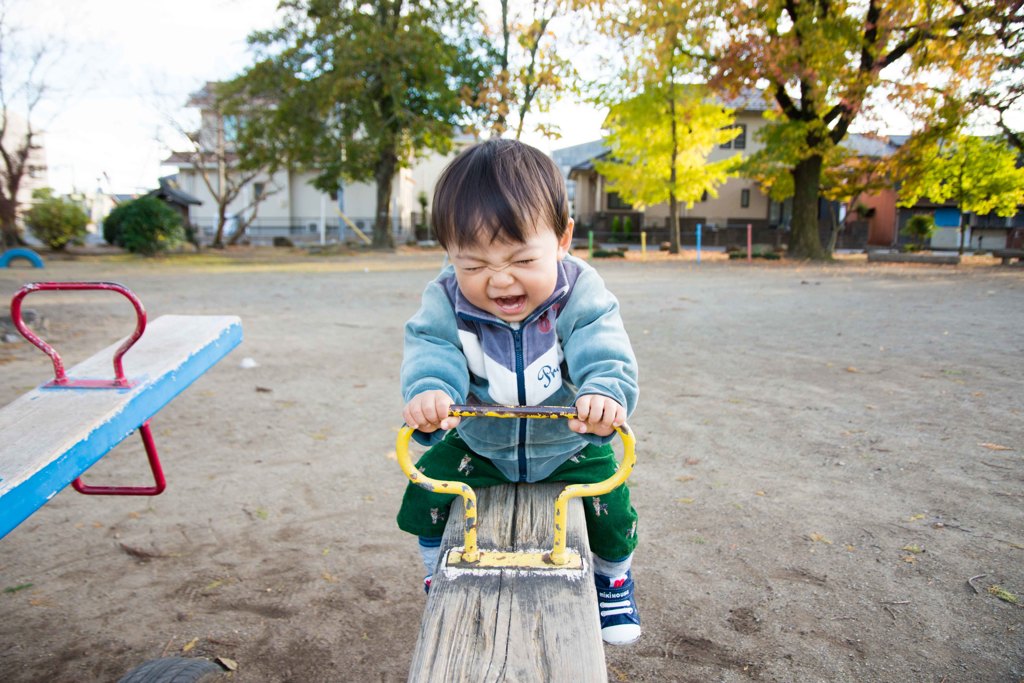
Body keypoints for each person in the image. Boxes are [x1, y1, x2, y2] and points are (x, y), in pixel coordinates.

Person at [396, 138, 641, 645]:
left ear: (563, 238)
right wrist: (430, 392)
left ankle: (613, 578)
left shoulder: (579, 291)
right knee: (425, 489)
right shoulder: (445, 296)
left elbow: (603, 345)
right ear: (450, 257)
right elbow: (432, 347)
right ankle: (434, 567)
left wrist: (603, 393)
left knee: (612, 507)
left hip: (567, 443)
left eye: (521, 260)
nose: (499, 280)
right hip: (482, 441)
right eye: (474, 266)